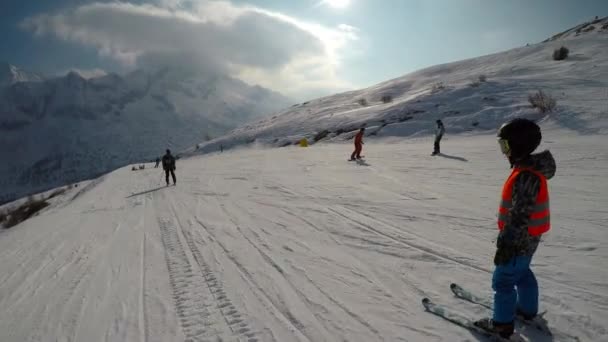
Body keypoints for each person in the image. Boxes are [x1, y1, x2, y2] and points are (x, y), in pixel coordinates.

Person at [474, 118, 555, 338]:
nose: (504, 152)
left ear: (518, 145)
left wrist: (507, 243)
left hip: (518, 238)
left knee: (503, 280)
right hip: (529, 239)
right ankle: (527, 311)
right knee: (522, 273)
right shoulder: (527, 170)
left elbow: (520, 215)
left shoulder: (526, 176)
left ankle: (502, 325)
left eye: (506, 146)